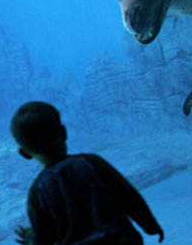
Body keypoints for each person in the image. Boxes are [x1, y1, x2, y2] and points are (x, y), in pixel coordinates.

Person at [10, 101, 164, 244]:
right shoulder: (91, 163)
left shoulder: (37, 191)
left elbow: (45, 236)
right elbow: (128, 196)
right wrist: (150, 225)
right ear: (63, 132)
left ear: (25, 153)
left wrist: (30, 238)